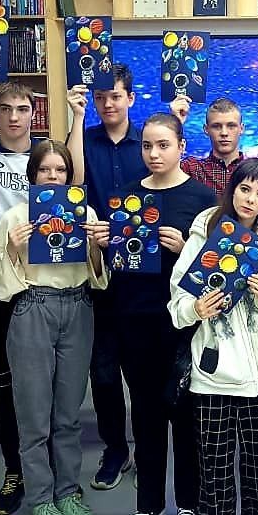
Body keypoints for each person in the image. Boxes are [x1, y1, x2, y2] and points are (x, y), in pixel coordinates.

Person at [0, 73, 87, 515]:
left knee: (59, 395)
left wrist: (77, 117)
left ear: (35, 114)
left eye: (23, 109)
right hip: (6, 282)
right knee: (7, 386)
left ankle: (60, 481)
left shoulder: (50, 160)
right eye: (6, 109)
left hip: (55, 287)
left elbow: (74, 181)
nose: (14, 117)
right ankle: (19, 473)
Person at [169, 159, 258, 515]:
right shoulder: (205, 232)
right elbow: (177, 301)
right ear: (232, 188)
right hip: (213, 372)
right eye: (245, 189)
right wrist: (196, 309)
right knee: (215, 463)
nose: (251, 199)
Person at [0, 140, 110, 515]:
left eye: (60, 170)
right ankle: (41, 500)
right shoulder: (15, 217)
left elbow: (98, 277)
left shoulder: (84, 213)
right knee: (34, 413)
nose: (53, 177)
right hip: (33, 307)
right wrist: (13, 248)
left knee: (68, 413)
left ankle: (68, 491)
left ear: (69, 176)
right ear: (32, 174)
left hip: (78, 307)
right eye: (45, 170)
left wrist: (96, 246)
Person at [114, 113, 217, 515]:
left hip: (183, 324)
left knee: (187, 415)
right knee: (145, 414)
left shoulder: (203, 198)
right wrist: (107, 245)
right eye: (147, 146)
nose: (154, 154)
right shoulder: (128, 195)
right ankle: (149, 505)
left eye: (163, 145)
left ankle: (189, 504)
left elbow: (216, 267)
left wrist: (186, 249)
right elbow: (120, 263)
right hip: (136, 318)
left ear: (181, 147)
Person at [83, 64, 147, 491]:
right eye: (101, 97)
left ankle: (146, 448)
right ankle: (115, 449)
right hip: (96, 270)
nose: (108, 104)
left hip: (142, 272)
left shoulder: (147, 143)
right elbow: (68, 186)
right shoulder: (83, 141)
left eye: (116, 96)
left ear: (130, 98)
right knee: (103, 370)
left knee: (141, 372)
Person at [172, 95, 247, 197]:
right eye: (216, 126)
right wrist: (176, 123)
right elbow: (160, 176)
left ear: (241, 129)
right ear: (206, 129)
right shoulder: (191, 169)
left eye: (231, 126)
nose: (224, 133)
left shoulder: (255, 172)